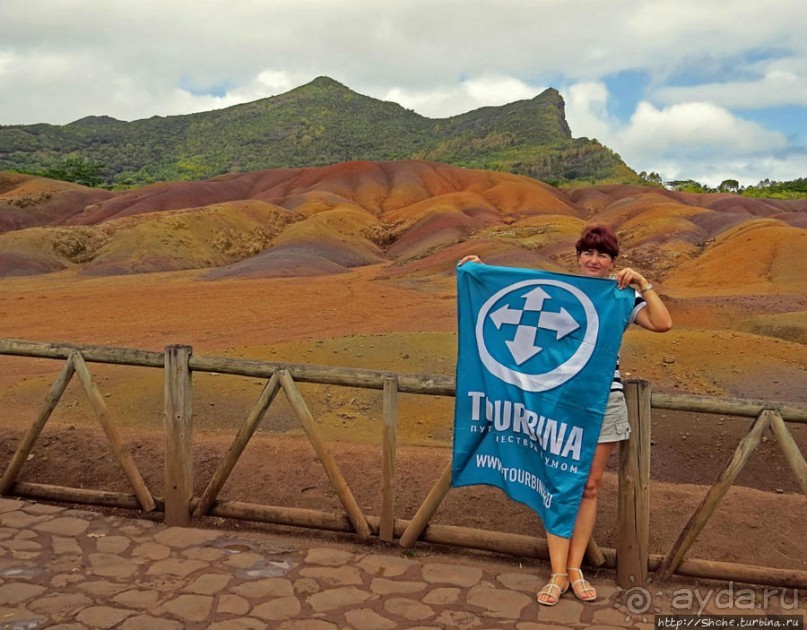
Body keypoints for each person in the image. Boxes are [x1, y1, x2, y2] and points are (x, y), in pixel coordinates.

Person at [458, 224, 672, 606]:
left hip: (603, 402)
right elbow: (513, 296)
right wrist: (479, 272)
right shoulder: (561, 295)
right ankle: (557, 573)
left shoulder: (620, 296)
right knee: (558, 481)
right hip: (553, 402)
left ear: (613, 261)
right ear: (577, 257)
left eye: (603, 255)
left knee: (589, 486)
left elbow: (662, 323)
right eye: (588, 253)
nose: (594, 260)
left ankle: (576, 569)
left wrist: (645, 284)